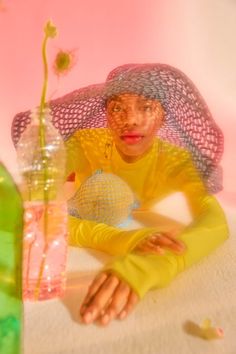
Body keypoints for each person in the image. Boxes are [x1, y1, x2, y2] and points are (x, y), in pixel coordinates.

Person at [12, 63, 229, 326]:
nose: (131, 120)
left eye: (146, 107)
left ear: (163, 115)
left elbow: (215, 221)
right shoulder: (84, 143)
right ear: (106, 114)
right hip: (86, 202)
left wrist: (153, 265)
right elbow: (38, 206)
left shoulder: (175, 161)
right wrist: (119, 238)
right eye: (118, 108)